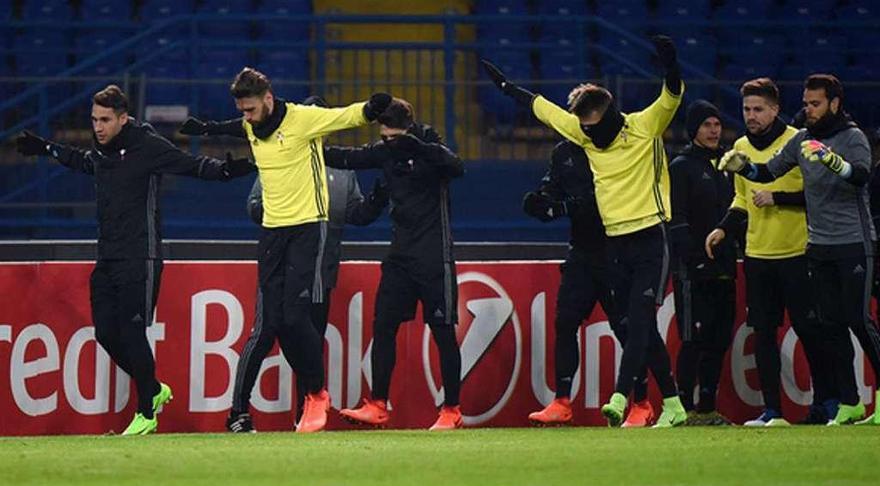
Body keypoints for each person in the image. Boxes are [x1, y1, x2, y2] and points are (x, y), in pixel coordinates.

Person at [14, 85, 255, 435]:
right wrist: (47, 148)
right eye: (94, 119)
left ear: (123, 118)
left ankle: (146, 412)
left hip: (141, 255)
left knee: (131, 330)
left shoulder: (147, 145)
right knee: (106, 334)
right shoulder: (102, 148)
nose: (98, 127)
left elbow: (190, 164)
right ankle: (154, 389)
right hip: (108, 254)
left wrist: (226, 171)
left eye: (105, 120)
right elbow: (86, 162)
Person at [482, 35, 688, 427]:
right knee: (634, 323)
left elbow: (672, 96)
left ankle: (622, 397)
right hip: (615, 244)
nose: (589, 135)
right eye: (584, 129)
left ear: (608, 114)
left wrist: (671, 66)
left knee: (639, 321)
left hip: (651, 235)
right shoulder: (581, 133)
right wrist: (507, 88)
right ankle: (674, 404)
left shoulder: (645, 127)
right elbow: (542, 110)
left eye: (594, 127)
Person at [180, 68, 391, 432]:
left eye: (250, 109)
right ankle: (261, 408)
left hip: (305, 229)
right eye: (242, 110)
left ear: (268, 99)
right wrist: (209, 128)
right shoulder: (251, 125)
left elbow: (343, 116)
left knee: (295, 318)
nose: (246, 117)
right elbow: (236, 126)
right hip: (272, 233)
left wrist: (370, 110)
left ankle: (316, 393)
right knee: (272, 322)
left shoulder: (301, 119)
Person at [717, 74, 880, 426]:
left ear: (835, 103)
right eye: (805, 103)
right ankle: (850, 401)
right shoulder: (803, 140)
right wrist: (743, 166)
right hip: (818, 245)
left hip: (854, 241)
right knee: (831, 324)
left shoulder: (852, 137)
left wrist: (835, 162)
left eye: (815, 104)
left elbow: (862, 176)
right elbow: (767, 172)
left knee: (860, 321)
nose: (808, 110)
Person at [322, 98, 465, 430]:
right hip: (400, 256)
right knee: (383, 327)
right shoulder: (386, 152)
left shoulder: (429, 143)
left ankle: (452, 409)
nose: (389, 144)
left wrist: (417, 146)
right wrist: (308, 146)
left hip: (434, 255)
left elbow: (457, 167)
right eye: (384, 138)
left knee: (443, 332)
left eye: (394, 138)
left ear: (408, 129)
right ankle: (378, 404)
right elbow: (349, 157)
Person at [706, 78, 837, 427]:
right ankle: (773, 411)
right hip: (758, 255)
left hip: (797, 253)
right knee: (762, 334)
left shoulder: (798, 142)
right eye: (747, 109)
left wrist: (778, 198)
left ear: (775, 109)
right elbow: (741, 199)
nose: (751, 115)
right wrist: (723, 227)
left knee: (810, 331)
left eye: (758, 109)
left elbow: (818, 195)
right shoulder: (739, 146)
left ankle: (828, 405)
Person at [523, 138, 653, 427]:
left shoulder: (615, 146)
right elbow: (554, 189)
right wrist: (542, 201)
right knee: (565, 321)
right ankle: (562, 402)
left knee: (625, 328)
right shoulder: (563, 151)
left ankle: (642, 403)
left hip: (615, 251)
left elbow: (601, 200)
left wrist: (565, 208)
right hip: (581, 253)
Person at [668, 100, 735, 425]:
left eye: (717, 124)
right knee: (693, 340)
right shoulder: (681, 167)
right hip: (693, 272)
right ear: (693, 129)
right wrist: (693, 260)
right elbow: (675, 220)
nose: (713, 130)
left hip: (724, 269)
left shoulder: (727, 166)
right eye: (707, 125)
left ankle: (707, 408)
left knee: (719, 340)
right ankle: (681, 409)